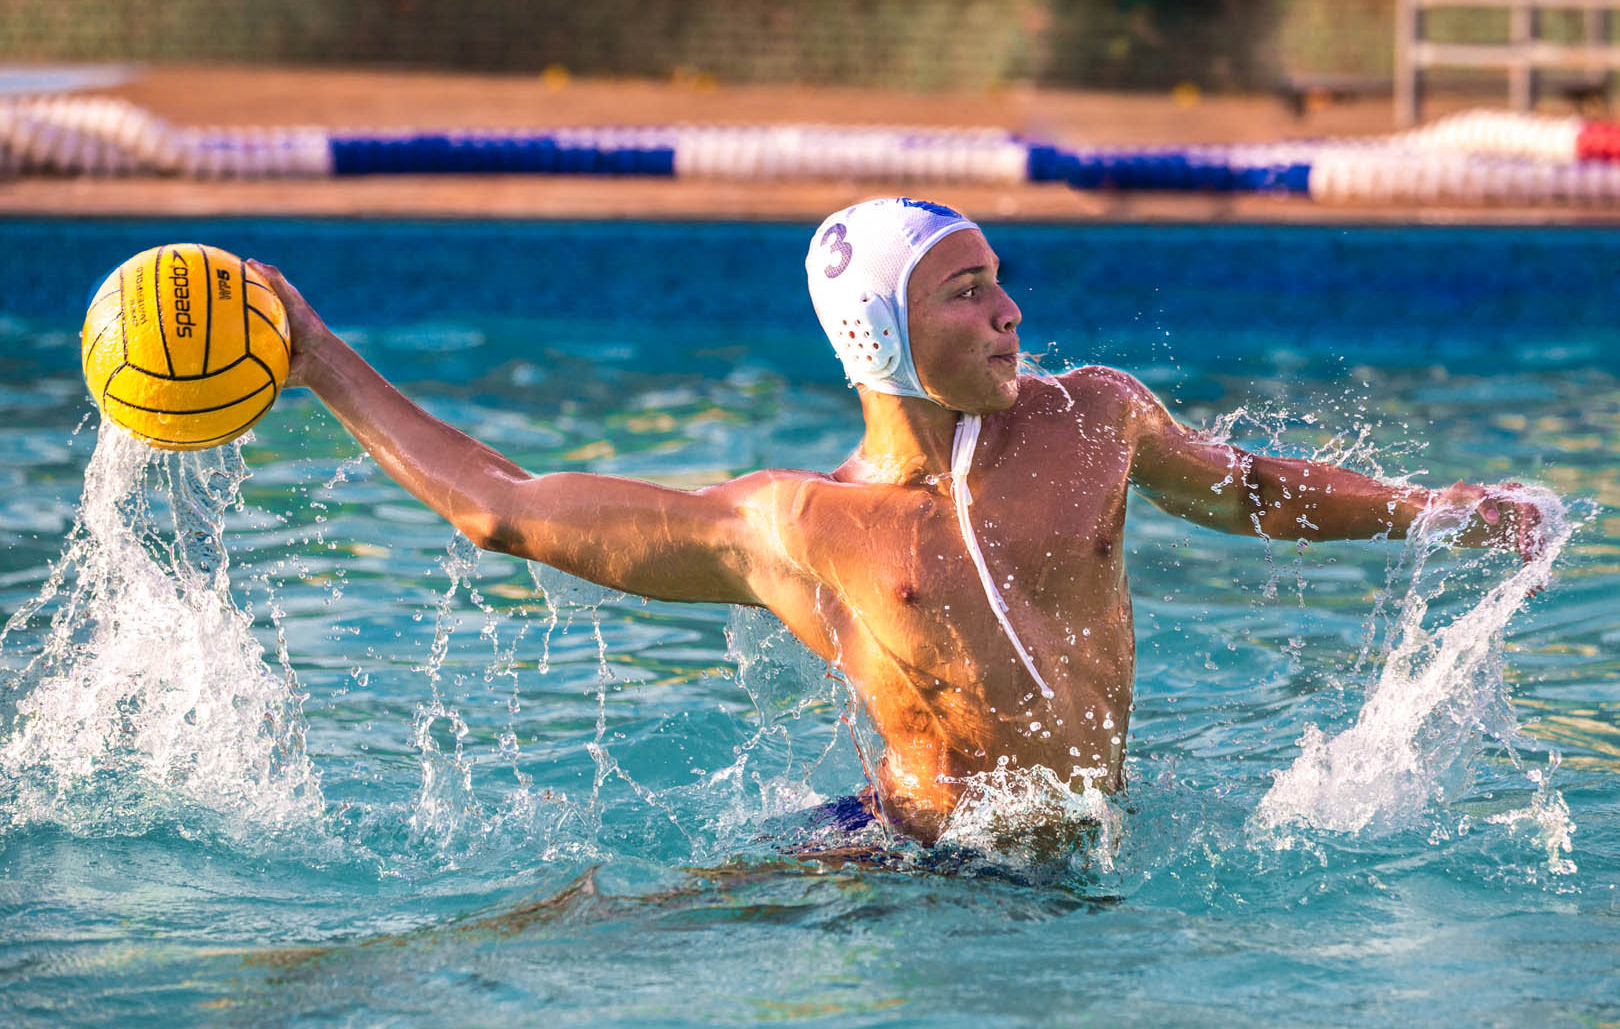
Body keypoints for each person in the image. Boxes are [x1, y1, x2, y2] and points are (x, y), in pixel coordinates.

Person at [248, 197, 1543, 848]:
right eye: (967, 294)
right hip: (919, 866)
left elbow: (1253, 486)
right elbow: (507, 513)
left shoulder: (1095, 417)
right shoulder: (802, 527)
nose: (1008, 314)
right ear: (880, 336)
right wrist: (321, 362)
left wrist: (1430, 513)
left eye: (1000, 282)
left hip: (1098, 847)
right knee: (621, 927)